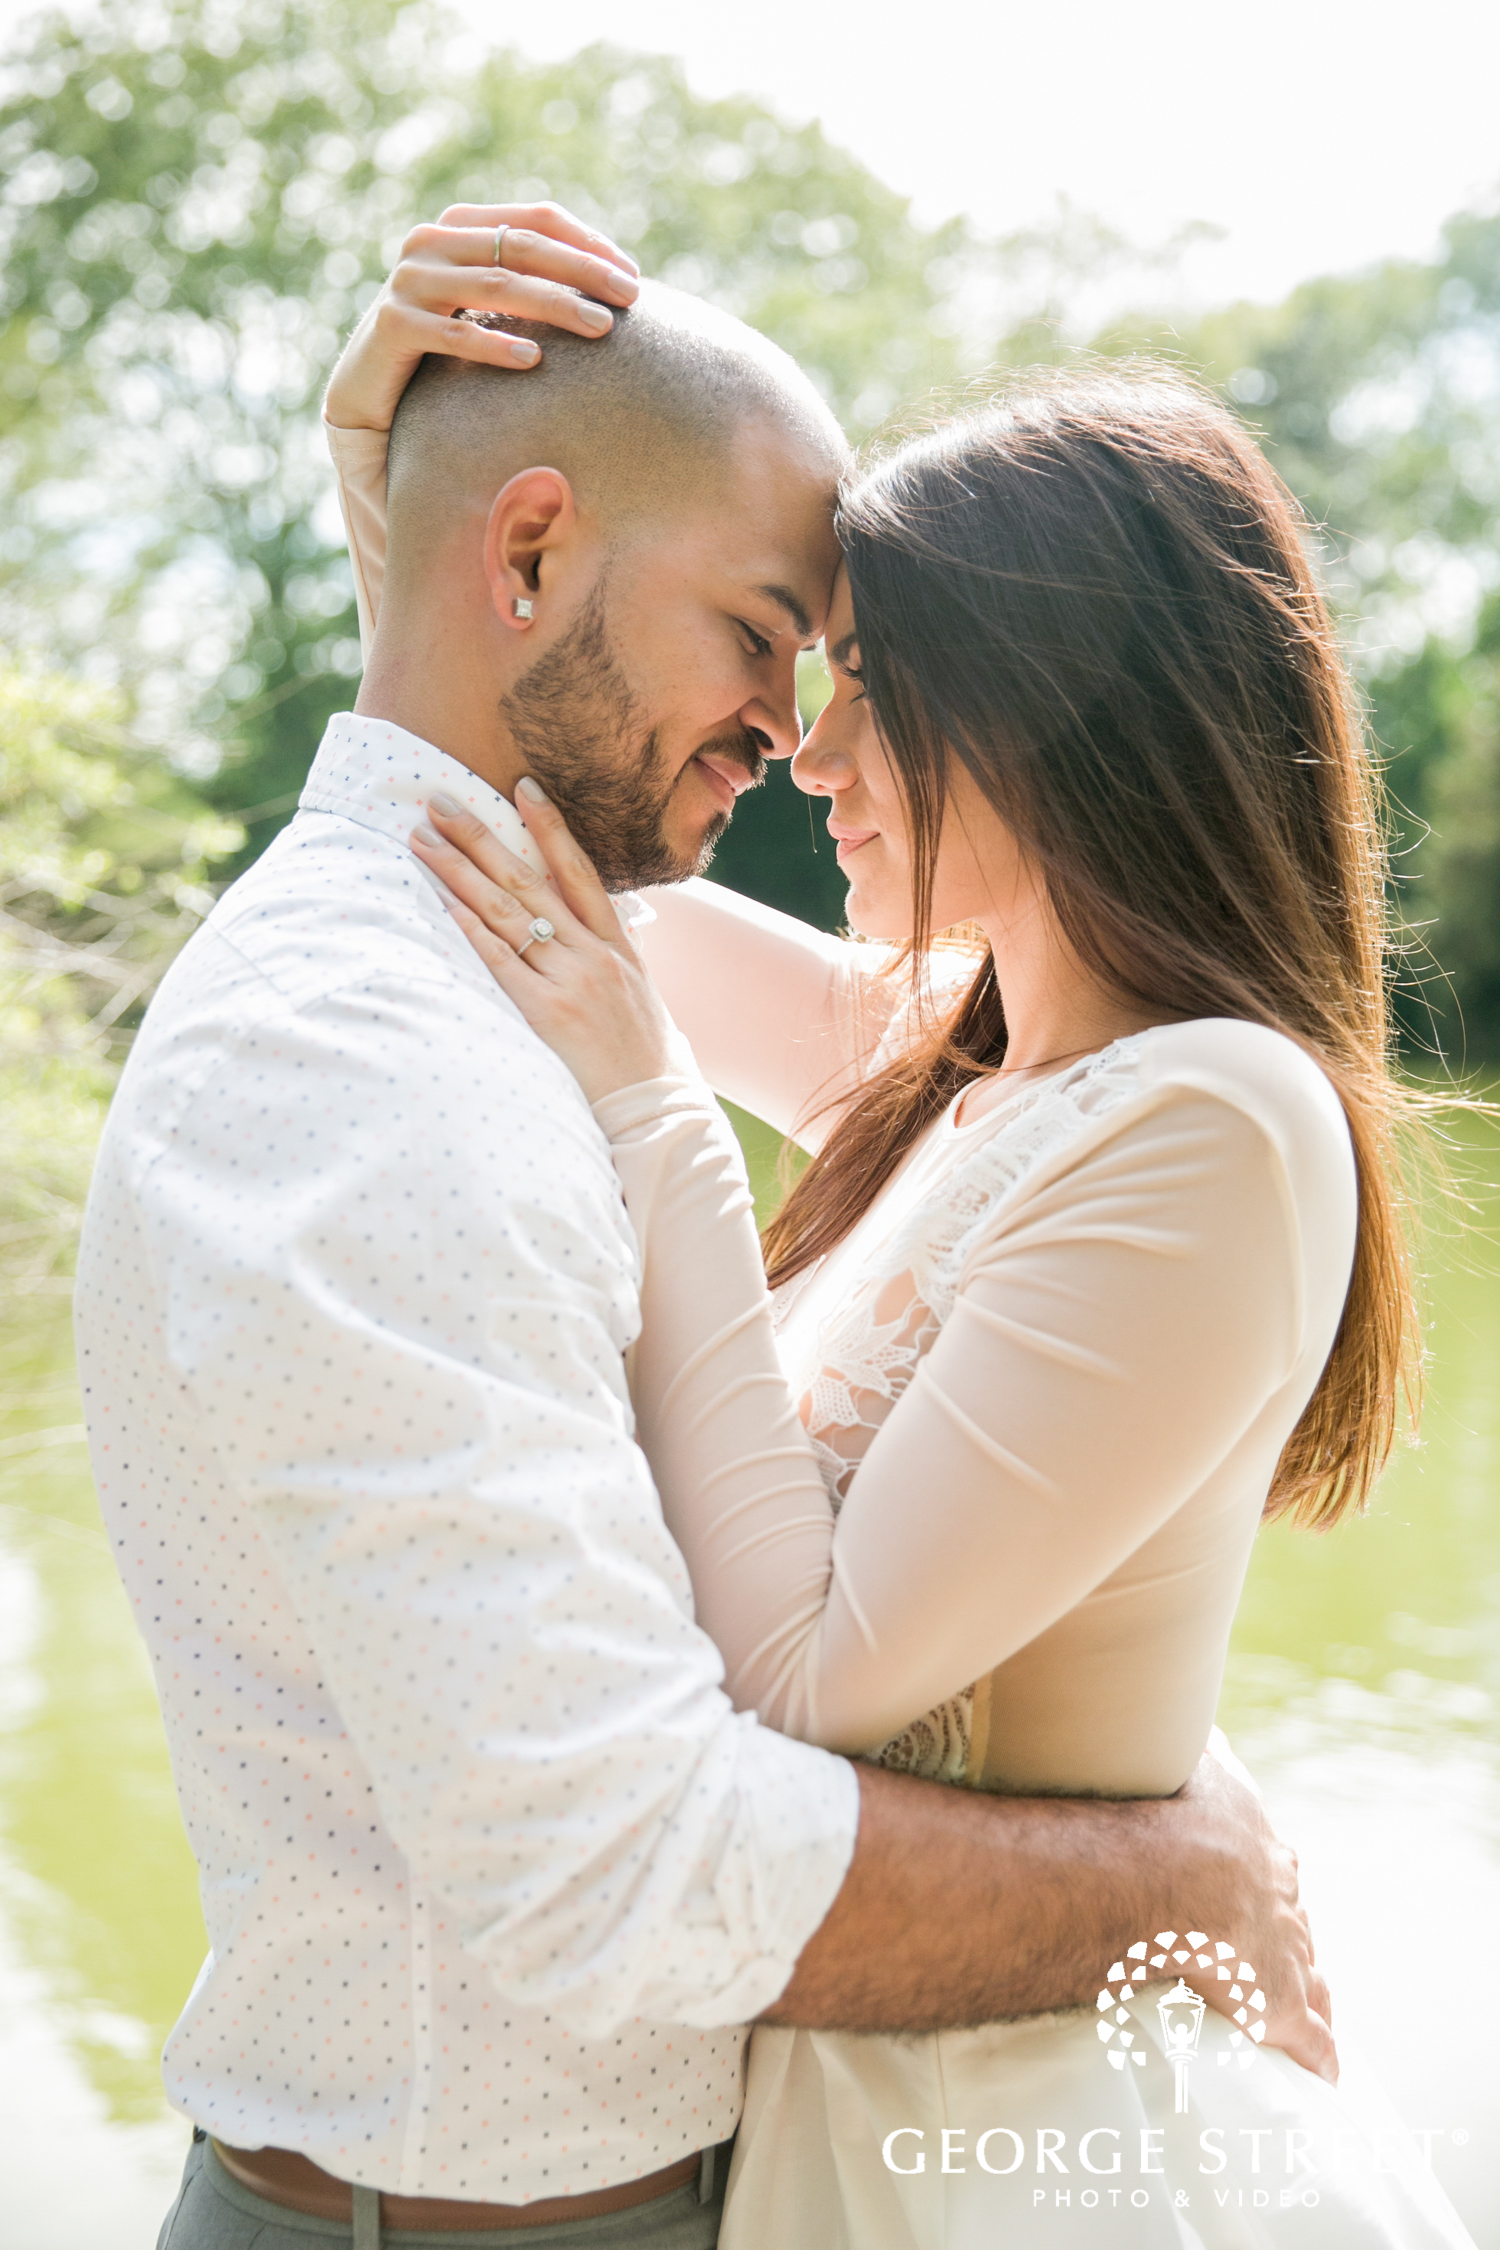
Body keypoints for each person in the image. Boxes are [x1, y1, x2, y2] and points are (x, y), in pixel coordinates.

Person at [78, 207, 1328, 2250]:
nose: (799, 736)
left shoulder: (1046, 1085)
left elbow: (527, 749)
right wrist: (1173, 1885)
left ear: (1068, 710)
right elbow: (617, 1868)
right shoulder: (388, 1052)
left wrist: (443, 521)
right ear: (540, 555)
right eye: (773, 636)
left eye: (858, 675)